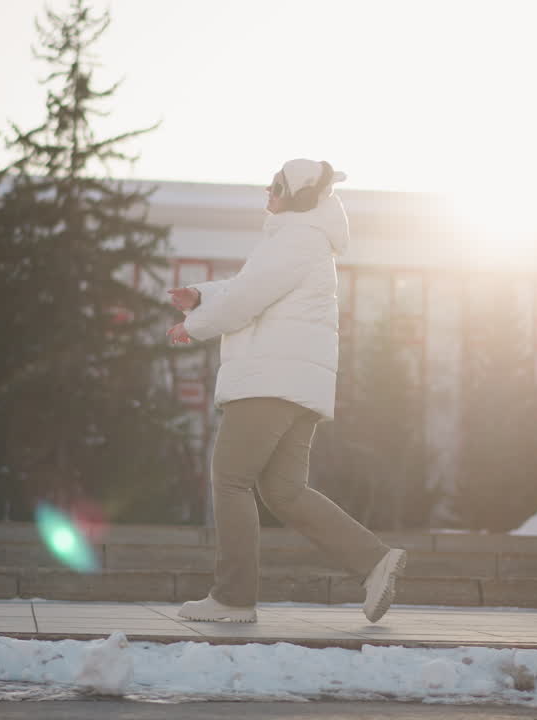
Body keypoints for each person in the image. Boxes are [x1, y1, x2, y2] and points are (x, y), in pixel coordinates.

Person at [165, 158, 406, 624]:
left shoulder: (296, 237)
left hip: (269, 381)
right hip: (294, 384)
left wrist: (192, 327)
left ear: (295, 196)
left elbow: (245, 301)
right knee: (284, 491)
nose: (267, 192)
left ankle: (233, 598)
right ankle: (373, 561)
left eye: (276, 186)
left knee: (230, 478)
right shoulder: (302, 241)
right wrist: (200, 294)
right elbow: (250, 288)